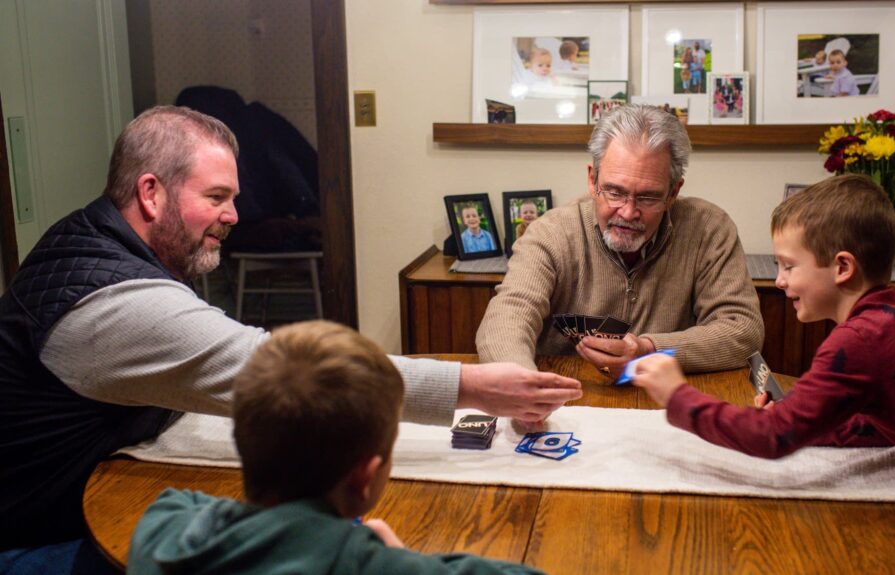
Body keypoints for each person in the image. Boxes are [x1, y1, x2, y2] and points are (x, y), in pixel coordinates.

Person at [0, 106, 581, 567]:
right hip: (45, 541)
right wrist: (473, 386)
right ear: (151, 193)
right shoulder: (111, 301)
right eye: (216, 197)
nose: (233, 215)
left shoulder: (94, 237)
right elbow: (273, 366)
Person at [631, 174, 895, 567]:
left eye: (788, 266)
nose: (780, 281)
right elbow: (878, 421)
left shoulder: (862, 340)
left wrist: (677, 395)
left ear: (842, 267)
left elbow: (771, 439)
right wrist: (803, 420)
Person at [128, 321, 545, 575]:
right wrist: (397, 557)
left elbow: (179, 505)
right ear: (366, 477)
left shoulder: (163, 531)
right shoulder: (371, 566)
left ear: (242, 441)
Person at [476, 104, 764, 378]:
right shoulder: (550, 234)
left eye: (648, 197)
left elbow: (743, 330)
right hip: (566, 402)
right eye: (614, 192)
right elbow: (506, 321)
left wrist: (648, 350)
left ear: (673, 192)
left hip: (668, 402)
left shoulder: (709, 229)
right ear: (592, 180)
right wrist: (521, 385)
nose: (628, 212)